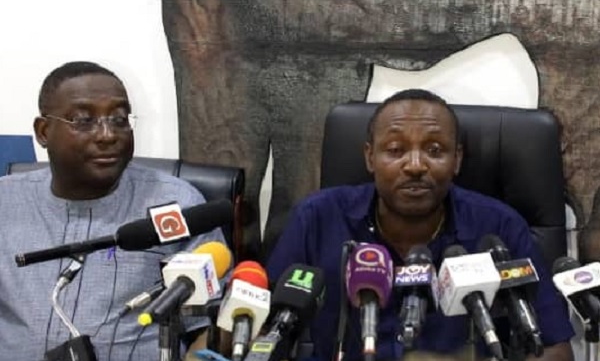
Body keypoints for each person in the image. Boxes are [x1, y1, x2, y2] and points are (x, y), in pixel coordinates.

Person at [266, 89, 575, 361]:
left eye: (435, 151)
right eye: (396, 150)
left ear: (457, 160)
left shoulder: (499, 227)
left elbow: (552, 347)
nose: (415, 165)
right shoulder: (318, 218)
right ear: (370, 157)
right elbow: (265, 331)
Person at [0, 61, 226, 360]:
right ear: (43, 131)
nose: (107, 135)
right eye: (83, 120)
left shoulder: (177, 204)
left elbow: (210, 329)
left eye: (120, 119)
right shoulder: (6, 201)